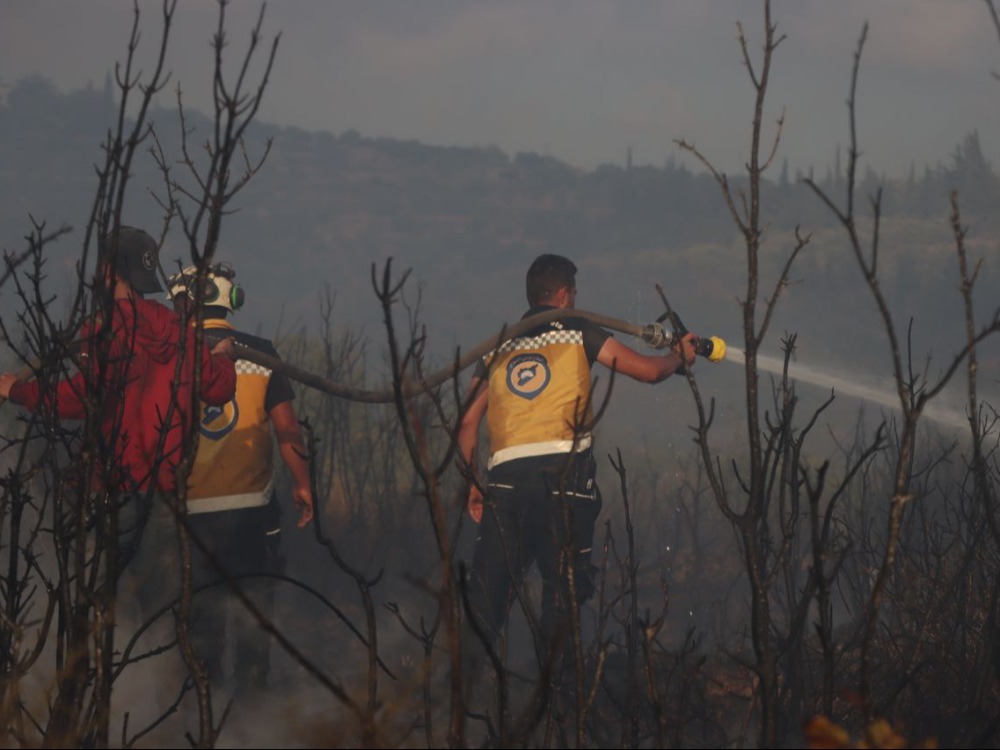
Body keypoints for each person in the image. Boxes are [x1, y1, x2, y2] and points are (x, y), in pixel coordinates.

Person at [456, 253, 697, 699]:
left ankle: (455, 705)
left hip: (505, 487)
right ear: (565, 294)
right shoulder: (578, 330)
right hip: (564, 484)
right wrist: (678, 357)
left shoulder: (496, 346)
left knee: (485, 603)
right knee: (562, 596)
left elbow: (467, 421)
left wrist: (473, 483)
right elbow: (647, 372)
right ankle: (560, 705)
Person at [0, 226, 237, 567]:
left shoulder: (104, 329)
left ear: (108, 270)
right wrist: (222, 358)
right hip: (166, 492)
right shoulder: (180, 331)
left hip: (113, 487)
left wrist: (18, 391)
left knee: (107, 585)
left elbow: (83, 397)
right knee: (162, 588)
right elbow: (219, 389)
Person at [166, 261, 314, 699]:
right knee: (254, 619)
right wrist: (302, 484)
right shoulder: (260, 353)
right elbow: (287, 428)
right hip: (253, 513)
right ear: (232, 299)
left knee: (200, 623)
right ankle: (252, 711)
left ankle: (198, 711)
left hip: (189, 515)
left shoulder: (170, 355)